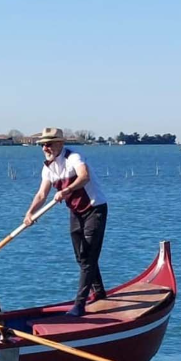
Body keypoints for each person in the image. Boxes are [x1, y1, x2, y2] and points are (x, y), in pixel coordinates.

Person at [23, 127, 108, 317]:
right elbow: (42, 194)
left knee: (88, 258)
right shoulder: (48, 168)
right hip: (76, 212)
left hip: (95, 209)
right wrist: (29, 213)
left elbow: (84, 176)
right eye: (43, 145)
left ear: (60, 144)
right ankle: (99, 291)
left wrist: (66, 190)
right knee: (81, 256)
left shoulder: (73, 157)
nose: (46, 148)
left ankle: (80, 304)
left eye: (50, 144)